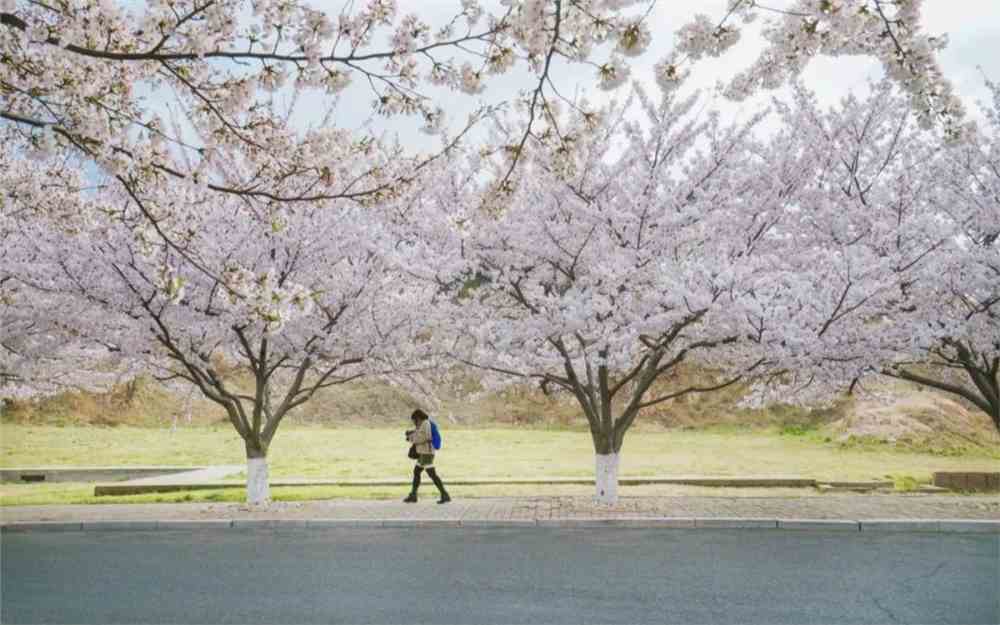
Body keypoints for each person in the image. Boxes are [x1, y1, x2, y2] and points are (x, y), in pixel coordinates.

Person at [404, 409, 450, 504]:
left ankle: (445, 494)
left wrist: (411, 438)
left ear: (418, 417)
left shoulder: (425, 423)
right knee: (417, 471)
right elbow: (420, 434)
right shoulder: (423, 424)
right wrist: (412, 433)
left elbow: (425, 437)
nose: (414, 422)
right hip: (424, 453)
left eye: (414, 419)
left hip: (427, 453)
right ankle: (413, 494)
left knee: (431, 474)